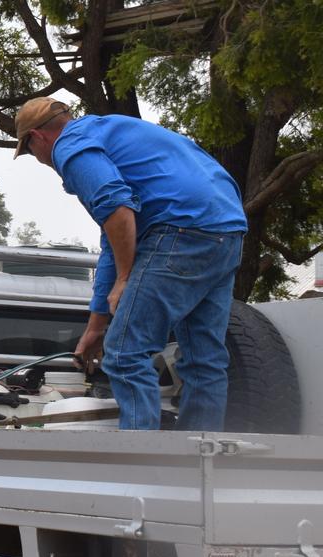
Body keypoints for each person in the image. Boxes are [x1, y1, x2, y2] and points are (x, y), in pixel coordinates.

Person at [13, 97, 247, 430]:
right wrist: (96, 325)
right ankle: (195, 463)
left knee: (124, 352)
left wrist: (124, 278)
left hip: (180, 229)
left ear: (37, 137)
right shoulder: (108, 132)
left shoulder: (70, 146)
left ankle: (140, 463)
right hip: (227, 230)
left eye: (29, 151)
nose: (37, 159)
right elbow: (115, 237)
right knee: (204, 361)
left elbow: (116, 206)